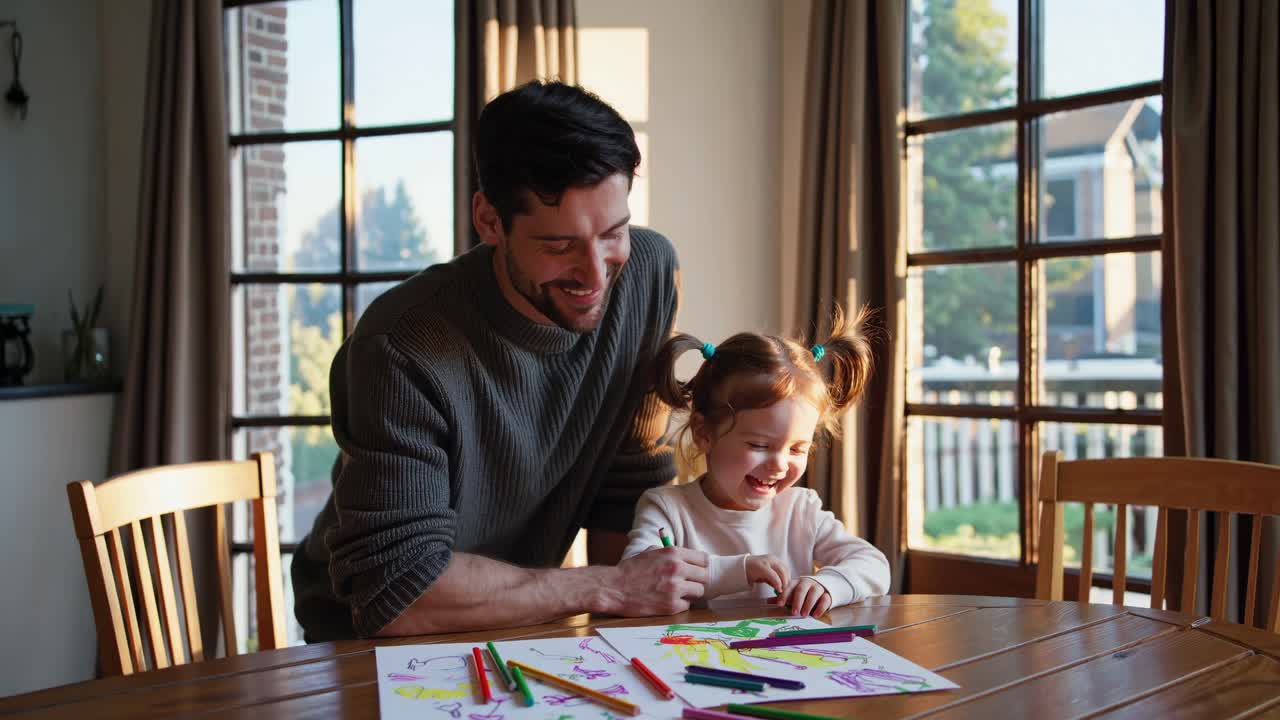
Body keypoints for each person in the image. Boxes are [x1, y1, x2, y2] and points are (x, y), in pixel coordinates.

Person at [290, 81, 709, 642]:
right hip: (366, 639)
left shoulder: (648, 274)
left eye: (613, 233)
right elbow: (398, 593)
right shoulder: (398, 346)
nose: (595, 275)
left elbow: (627, 489)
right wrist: (606, 587)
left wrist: (633, 621)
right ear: (489, 221)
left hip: (522, 617)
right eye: (559, 245)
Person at [621, 307, 891, 617]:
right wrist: (738, 571)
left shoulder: (801, 510)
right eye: (759, 445)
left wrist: (829, 585)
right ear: (703, 433)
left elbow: (874, 565)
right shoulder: (666, 509)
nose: (780, 465)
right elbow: (637, 581)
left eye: (797, 449)